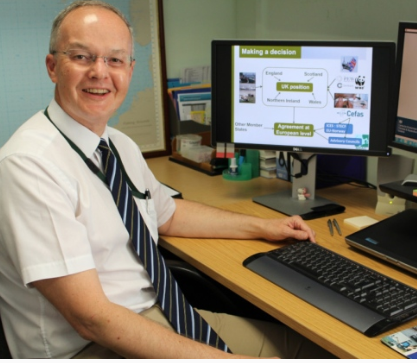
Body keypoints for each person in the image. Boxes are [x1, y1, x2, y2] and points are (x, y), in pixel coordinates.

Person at [0, 1, 333, 359]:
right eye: (82, 56)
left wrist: (264, 227)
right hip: (93, 346)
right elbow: (91, 319)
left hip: (160, 318)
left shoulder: (117, 145)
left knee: (317, 350)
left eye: (114, 60)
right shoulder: (28, 165)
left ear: (130, 69)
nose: (100, 72)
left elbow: (167, 213)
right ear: (53, 67)